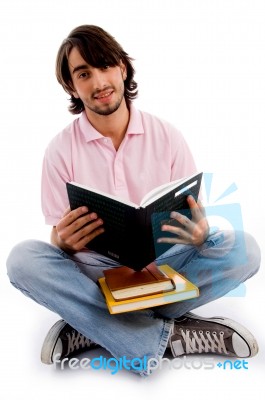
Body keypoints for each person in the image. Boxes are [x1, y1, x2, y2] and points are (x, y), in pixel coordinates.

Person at [6, 25, 261, 377]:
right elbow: (57, 240)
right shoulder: (59, 151)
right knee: (22, 260)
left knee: (243, 248)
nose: (98, 83)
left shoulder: (167, 136)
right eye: (83, 74)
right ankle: (164, 337)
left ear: (123, 68)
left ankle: (93, 325)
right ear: (71, 86)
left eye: (105, 66)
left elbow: (193, 219)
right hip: (97, 271)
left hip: (166, 265)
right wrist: (62, 240)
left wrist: (200, 236)